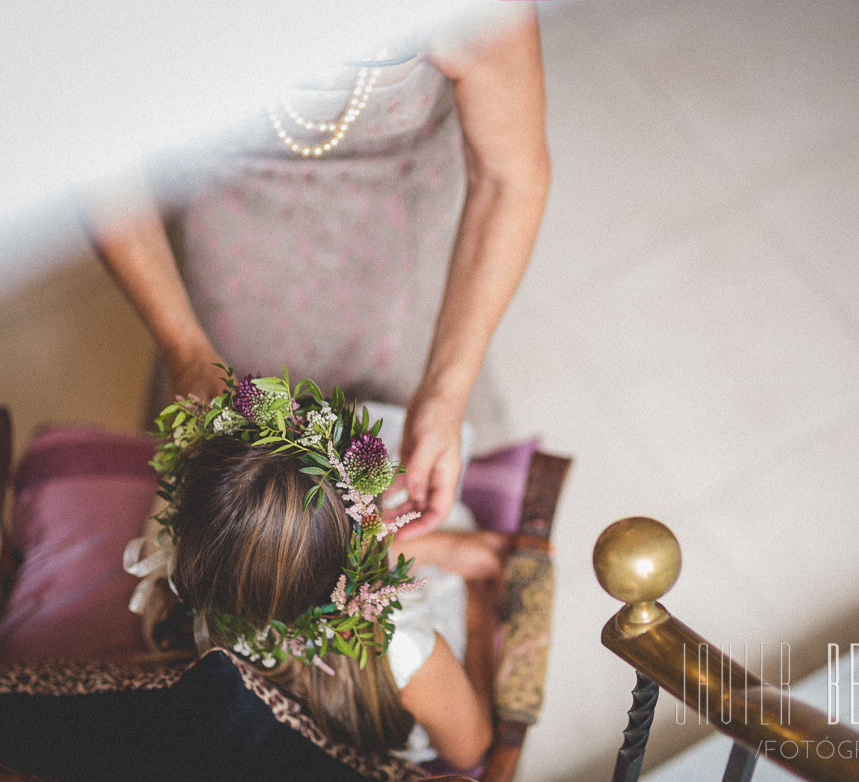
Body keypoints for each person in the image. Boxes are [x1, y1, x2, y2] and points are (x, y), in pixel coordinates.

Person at [86, 5, 549, 540]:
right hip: (228, 256)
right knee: (237, 500)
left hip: (400, 253)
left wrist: (446, 390)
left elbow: (508, 179)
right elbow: (98, 169)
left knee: (415, 451)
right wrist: (185, 350)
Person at [143, 371, 505, 768]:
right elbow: (472, 748)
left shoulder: (180, 564)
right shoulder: (404, 652)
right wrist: (479, 620)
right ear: (362, 549)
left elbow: (270, 558)